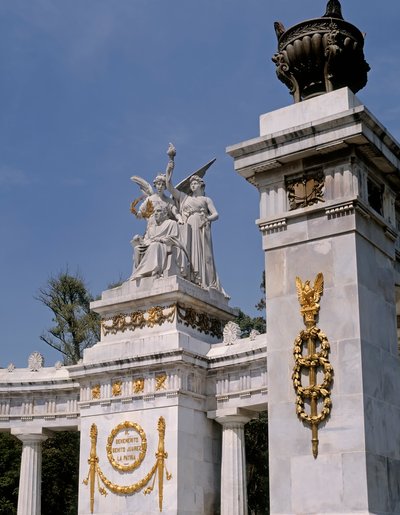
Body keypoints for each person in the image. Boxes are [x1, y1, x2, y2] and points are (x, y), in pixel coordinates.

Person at [165, 170, 224, 292]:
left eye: (195, 183)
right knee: (189, 251)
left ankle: (204, 280)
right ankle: (191, 277)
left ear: (201, 185)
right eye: (191, 184)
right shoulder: (184, 197)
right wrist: (170, 165)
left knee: (203, 254)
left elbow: (216, 214)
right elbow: (170, 188)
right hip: (188, 227)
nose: (193, 185)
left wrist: (207, 218)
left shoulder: (206, 199)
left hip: (201, 226)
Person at [131, 203, 188, 280]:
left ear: (165, 213)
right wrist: (139, 240)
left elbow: (174, 238)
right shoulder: (151, 228)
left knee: (155, 245)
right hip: (149, 245)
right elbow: (146, 240)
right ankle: (139, 272)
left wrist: (160, 239)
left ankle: (151, 271)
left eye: (158, 211)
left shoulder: (171, 223)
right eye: (154, 212)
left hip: (163, 245)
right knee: (137, 249)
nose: (156, 213)